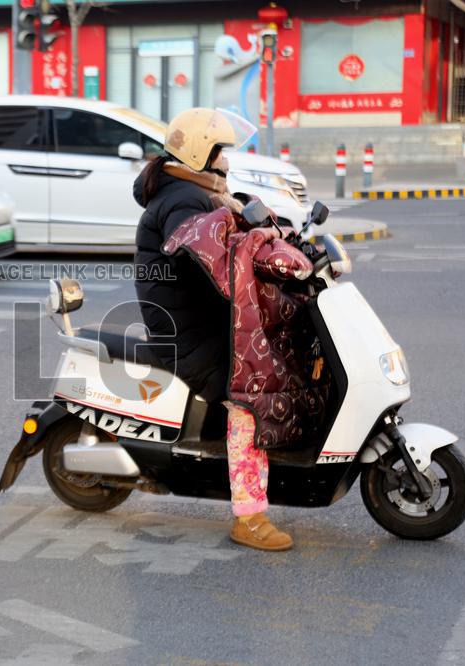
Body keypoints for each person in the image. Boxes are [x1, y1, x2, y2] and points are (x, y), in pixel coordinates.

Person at [133, 108, 293, 552]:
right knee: (249, 397)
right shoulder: (182, 202)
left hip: (199, 317)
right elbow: (212, 264)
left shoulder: (195, 192)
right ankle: (250, 517)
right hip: (188, 330)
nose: (227, 159)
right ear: (201, 154)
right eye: (221, 150)